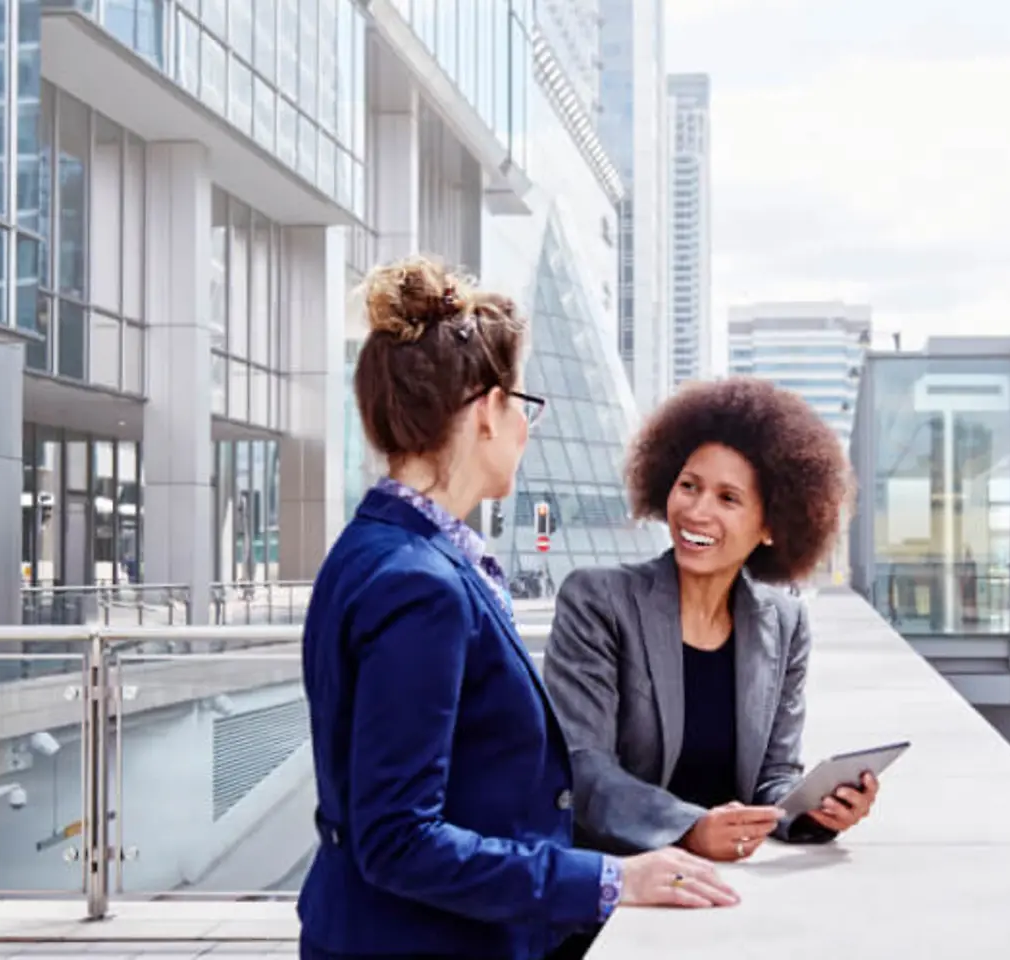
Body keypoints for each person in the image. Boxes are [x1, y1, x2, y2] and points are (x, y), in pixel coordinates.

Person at [297, 256, 738, 960]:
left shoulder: (374, 550)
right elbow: (399, 839)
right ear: (484, 412)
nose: (526, 431)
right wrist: (609, 880)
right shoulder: (420, 585)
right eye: (521, 407)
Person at [543, 378, 880, 863]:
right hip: (618, 885)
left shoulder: (785, 622)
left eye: (728, 498)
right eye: (689, 486)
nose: (697, 512)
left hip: (722, 884)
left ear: (770, 526)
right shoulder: (598, 600)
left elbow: (773, 776)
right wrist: (688, 827)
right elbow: (582, 766)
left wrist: (812, 810)